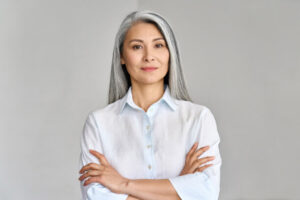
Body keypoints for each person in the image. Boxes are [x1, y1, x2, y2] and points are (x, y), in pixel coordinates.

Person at [78, 10, 222, 200]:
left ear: (170, 53)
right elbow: (96, 197)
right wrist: (180, 187)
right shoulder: (99, 123)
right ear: (122, 56)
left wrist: (123, 184)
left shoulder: (198, 118)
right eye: (137, 47)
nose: (149, 56)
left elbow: (207, 193)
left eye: (158, 45)